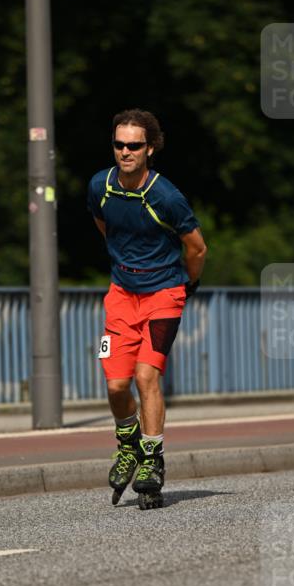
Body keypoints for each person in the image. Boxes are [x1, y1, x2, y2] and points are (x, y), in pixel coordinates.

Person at [87, 108, 207, 508]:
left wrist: (188, 285)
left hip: (163, 295)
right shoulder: (99, 185)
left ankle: (153, 460)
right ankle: (128, 447)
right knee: (116, 384)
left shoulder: (166, 196)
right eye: (119, 144)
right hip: (121, 295)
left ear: (149, 149)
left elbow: (197, 248)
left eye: (134, 145)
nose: (125, 151)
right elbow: (105, 227)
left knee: (145, 376)